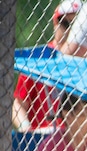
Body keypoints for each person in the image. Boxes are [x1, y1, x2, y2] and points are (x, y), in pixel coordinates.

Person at [12, 0, 81, 132]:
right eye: (66, 24)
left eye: (77, 25)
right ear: (55, 23)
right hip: (40, 136)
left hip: (73, 140)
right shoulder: (40, 58)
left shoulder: (84, 61)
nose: (71, 30)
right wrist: (26, 128)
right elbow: (19, 103)